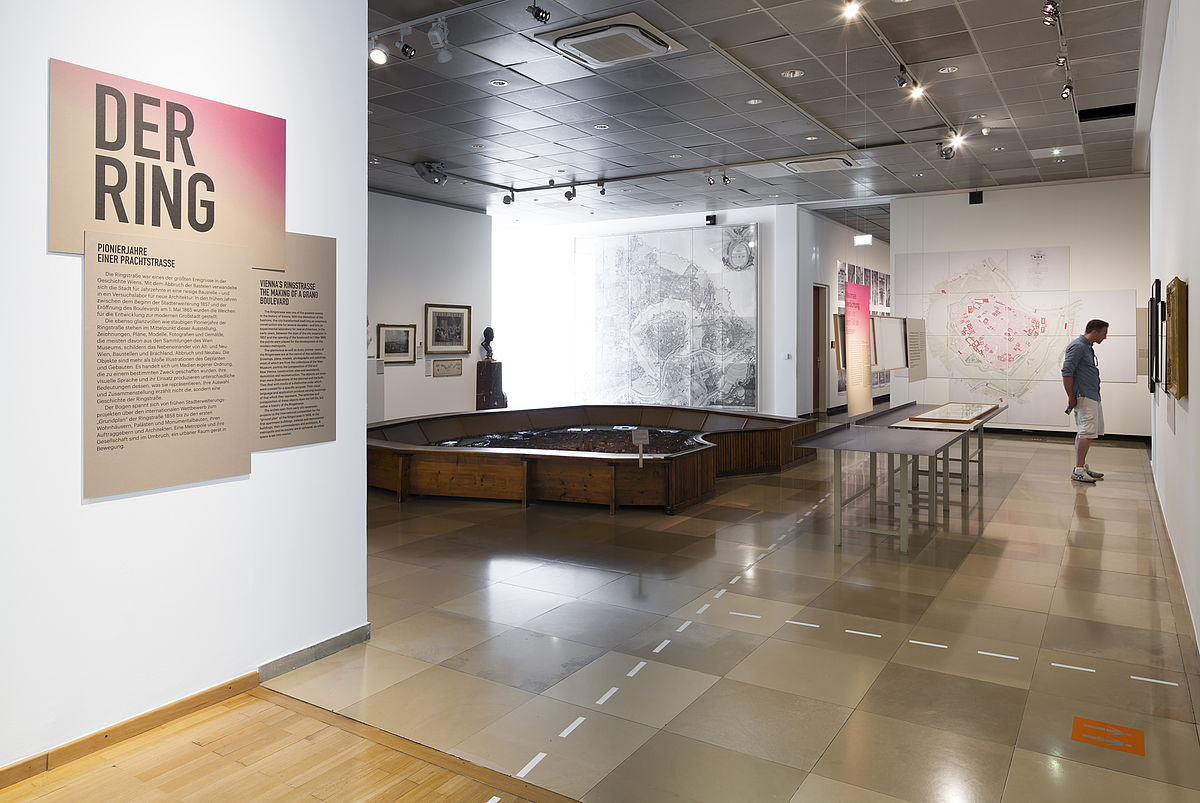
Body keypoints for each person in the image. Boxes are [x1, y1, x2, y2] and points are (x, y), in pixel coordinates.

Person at [1062, 318, 1108, 483]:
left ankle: (1081, 466)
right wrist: (1071, 397)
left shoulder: (1087, 347)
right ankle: (1079, 470)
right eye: (1104, 333)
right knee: (1086, 433)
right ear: (1094, 332)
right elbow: (1066, 372)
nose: (1105, 337)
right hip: (1084, 396)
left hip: (1092, 395)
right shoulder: (1078, 346)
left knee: (1085, 432)